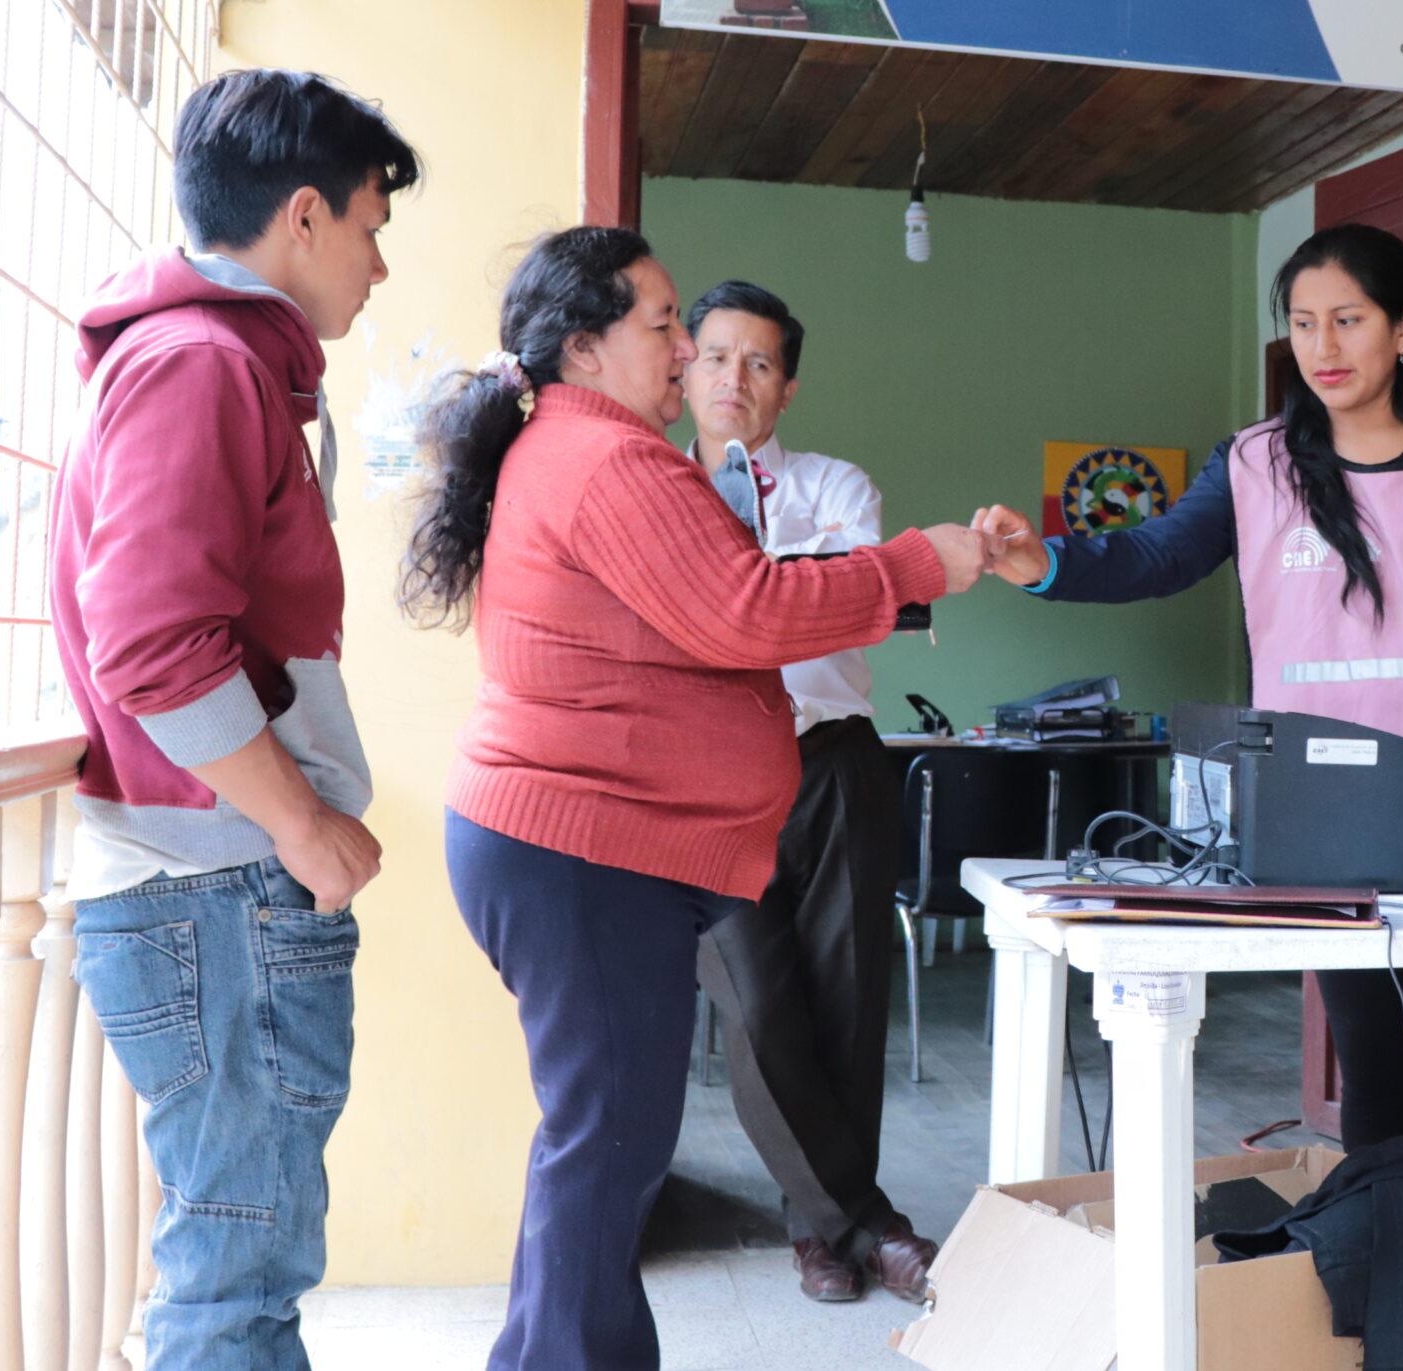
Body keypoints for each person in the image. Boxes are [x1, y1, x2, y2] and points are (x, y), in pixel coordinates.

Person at [399, 229, 995, 1368]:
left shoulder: (592, 450)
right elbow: (751, 614)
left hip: (594, 849)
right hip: (584, 856)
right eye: (667, 325)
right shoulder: (605, 461)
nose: (689, 352)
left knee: (598, 1145)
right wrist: (921, 563)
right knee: (607, 1146)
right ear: (584, 345)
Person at [975, 223, 1403, 1164]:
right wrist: (1042, 561)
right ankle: (1393, 1267)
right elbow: (1156, 552)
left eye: (1348, 319)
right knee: (1375, 1071)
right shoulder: (1257, 464)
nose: (1324, 347)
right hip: (1329, 814)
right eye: (1304, 324)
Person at [51, 69, 419, 1368]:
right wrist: (301, 822)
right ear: (304, 215)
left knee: (244, 1251)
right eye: (373, 226)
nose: (379, 263)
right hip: (217, 886)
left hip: (208, 886)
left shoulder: (209, 362)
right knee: (238, 1272)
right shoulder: (203, 365)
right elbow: (151, 641)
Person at [679, 279, 936, 1304]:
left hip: (830, 761)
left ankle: (817, 1236)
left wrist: (748, 593)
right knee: (759, 1006)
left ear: (786, 387)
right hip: (703, 783)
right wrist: (787, 586)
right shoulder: (649, 488)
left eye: (758, 362)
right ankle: (866, 1223)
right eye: (714, 356)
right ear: (683, 369)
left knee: (845, 998)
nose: (733, 377)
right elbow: (781, 603)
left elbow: (851, 606)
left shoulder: (836, 483)